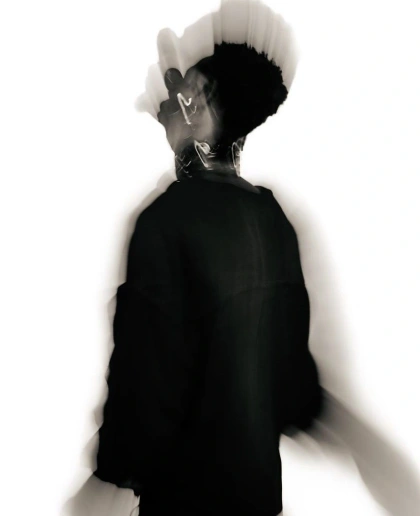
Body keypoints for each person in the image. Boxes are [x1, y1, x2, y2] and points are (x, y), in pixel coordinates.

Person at [93, 41, 324, 516]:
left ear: (197, 102)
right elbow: (295, 394)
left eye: (183, 93)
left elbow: (144, 384)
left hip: (185, 498)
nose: (166, 105)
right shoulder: (273, 221)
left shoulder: (166, 222)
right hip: (257, 496)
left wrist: (108, 475)